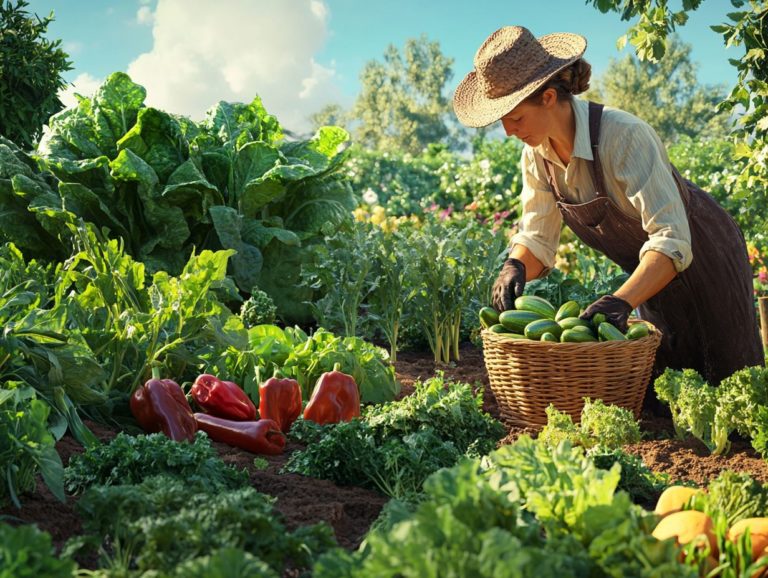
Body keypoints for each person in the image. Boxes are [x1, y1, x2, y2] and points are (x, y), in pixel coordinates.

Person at [453, 25, 764, 397]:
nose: (507, 131)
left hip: (707, 261)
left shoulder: (624, 136)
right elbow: (538, 237)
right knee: (666, 398)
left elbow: (672, 239)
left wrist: (621, 300)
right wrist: (517, 264)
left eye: (515, 118)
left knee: (732, 389)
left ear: (548, 97)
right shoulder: (537, 156)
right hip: (650, 275)